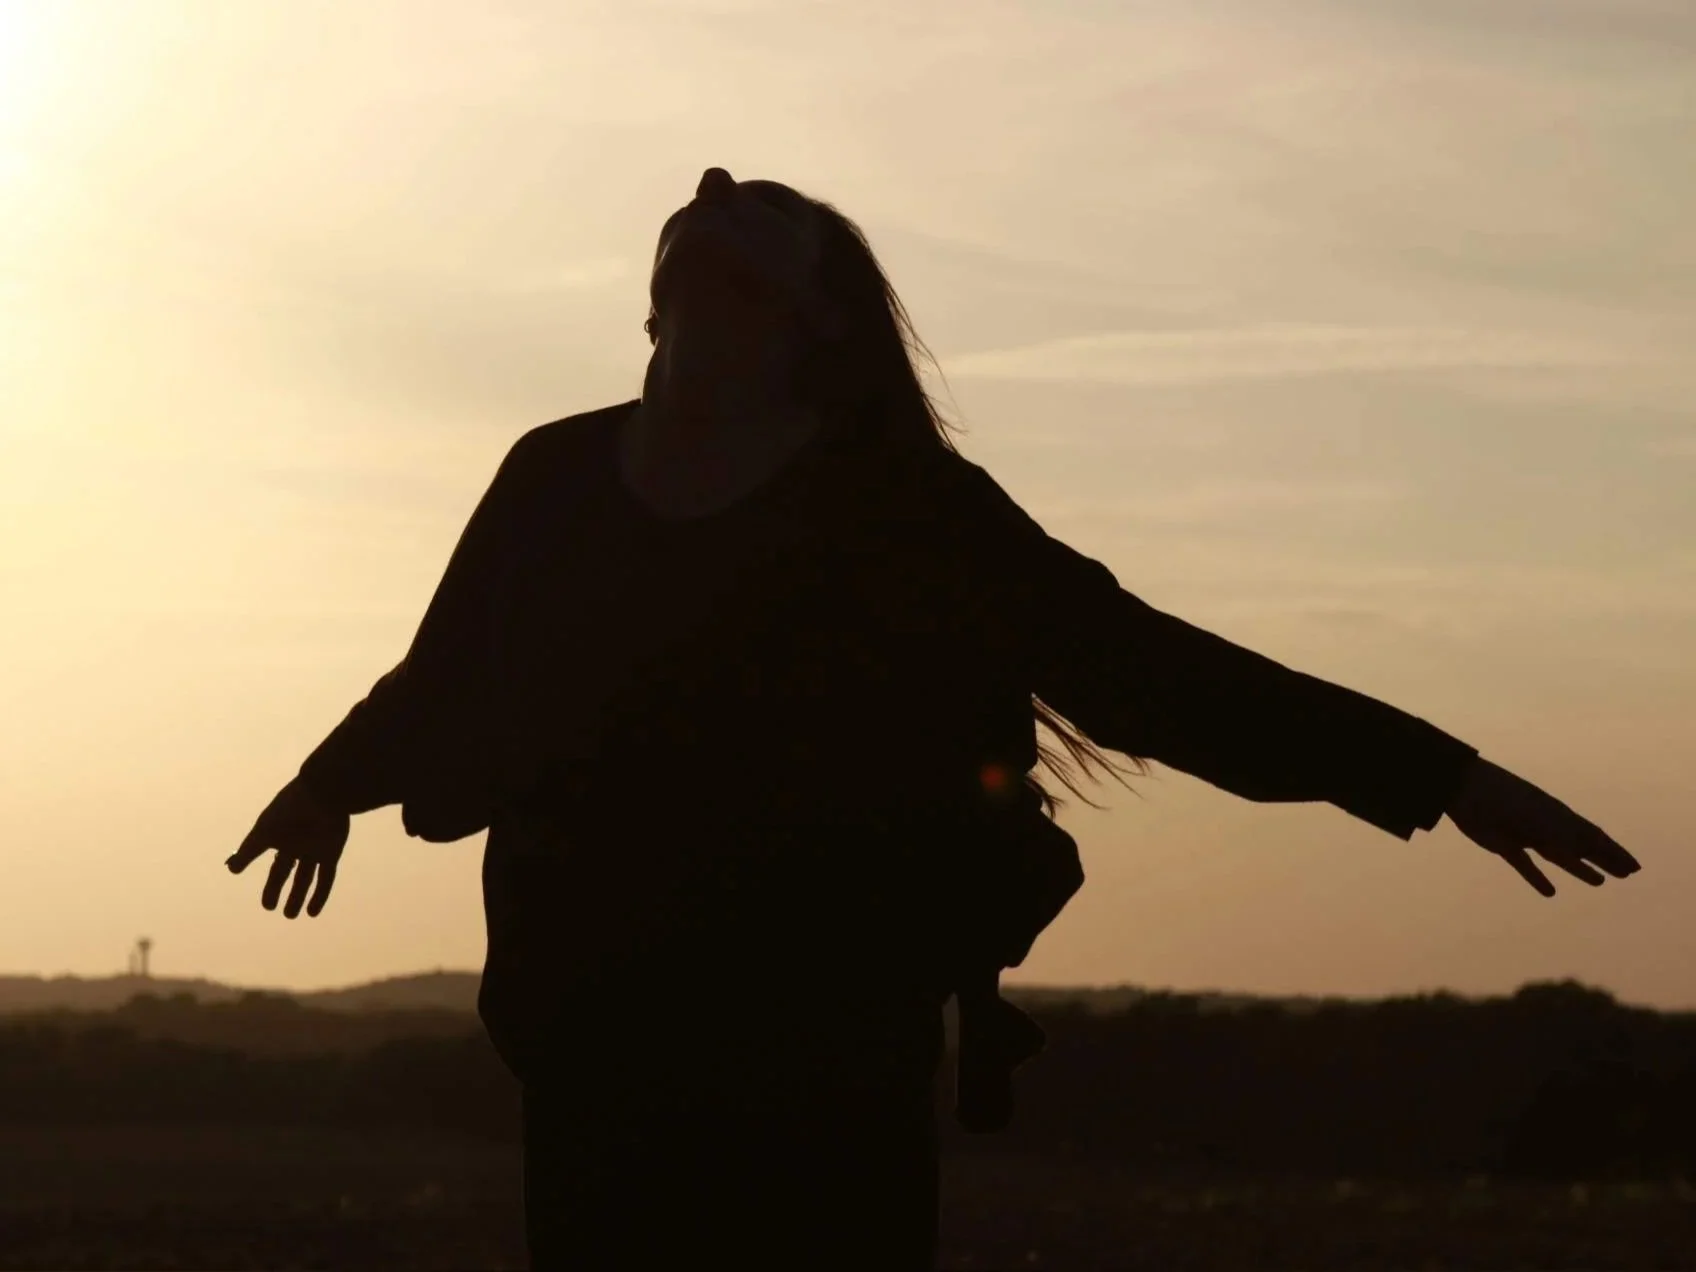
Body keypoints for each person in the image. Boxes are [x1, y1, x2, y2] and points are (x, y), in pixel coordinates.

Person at [226, 168, 1641, 1270]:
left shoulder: (907, 514)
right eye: (684, 283)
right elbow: (450, 669)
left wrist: (1436, 770)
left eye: (735, 286)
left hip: (823, 1042)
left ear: (812, 329)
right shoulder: (553, 476)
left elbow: (1143, 669)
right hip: (593, 1026)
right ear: (652, 308)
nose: (694, 313)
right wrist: (327, 782)